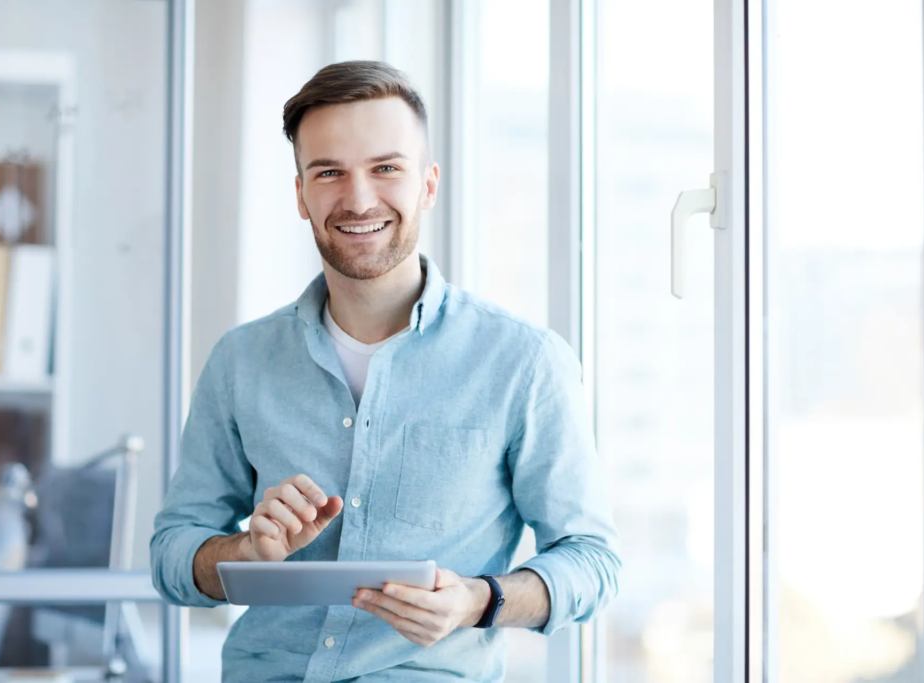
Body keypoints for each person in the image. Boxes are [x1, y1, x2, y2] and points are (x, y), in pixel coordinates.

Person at [150, 60, 621, 683]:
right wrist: (247, 553)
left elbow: (593, 561)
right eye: (329, 172)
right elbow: (170, 557)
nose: (359, 198)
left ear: (427, 184)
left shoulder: (524, 363)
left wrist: (477, 602)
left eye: (385, 168)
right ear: (301, 195)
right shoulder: (241, 360)